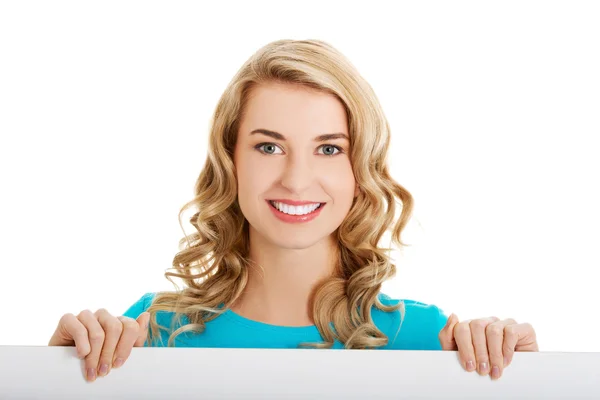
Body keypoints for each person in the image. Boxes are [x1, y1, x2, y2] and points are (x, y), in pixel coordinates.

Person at [48, 39, 539, 383]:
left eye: (328, 149)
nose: (297, 179)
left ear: (359, 168)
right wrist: (50, 372)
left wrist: (526, 376)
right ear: (230, 161)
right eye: (268, 147)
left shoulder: (432, 340)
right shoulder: (151, 334)